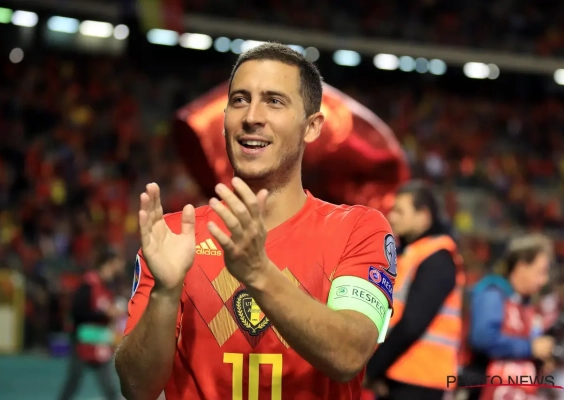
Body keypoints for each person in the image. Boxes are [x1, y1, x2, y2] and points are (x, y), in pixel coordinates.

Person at [115, 43, 397, 400]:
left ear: (312, 127)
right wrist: (165, 294)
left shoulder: (358, 230)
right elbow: (136, 388)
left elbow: (349, 355)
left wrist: (258, 272)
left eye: (274, 101)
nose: (251, 116)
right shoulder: (174, 237)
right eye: (240, 100)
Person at [364, 180, 464, 400]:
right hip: (399, 375)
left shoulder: (438, 258)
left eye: (400, 211)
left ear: (424, 216)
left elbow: (412, 323)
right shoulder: (413, 253)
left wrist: (372, 369)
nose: (392, 217)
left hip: (421, 380)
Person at [462, 233, 554, 400]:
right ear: (521, 266)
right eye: (541, 271)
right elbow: (483, 338)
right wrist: (530, 348)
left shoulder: (527, 305)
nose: (544, 280)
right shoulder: (493, 294)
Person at [57, 248, 126, 400]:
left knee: (109, 387)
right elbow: (77, 312)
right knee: (73, 382)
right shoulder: (89, 283)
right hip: (83, 339)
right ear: (109, 263)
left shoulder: (109, 284)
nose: (121, 265)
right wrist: (105, 314)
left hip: (100, 339)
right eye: (118, 262)